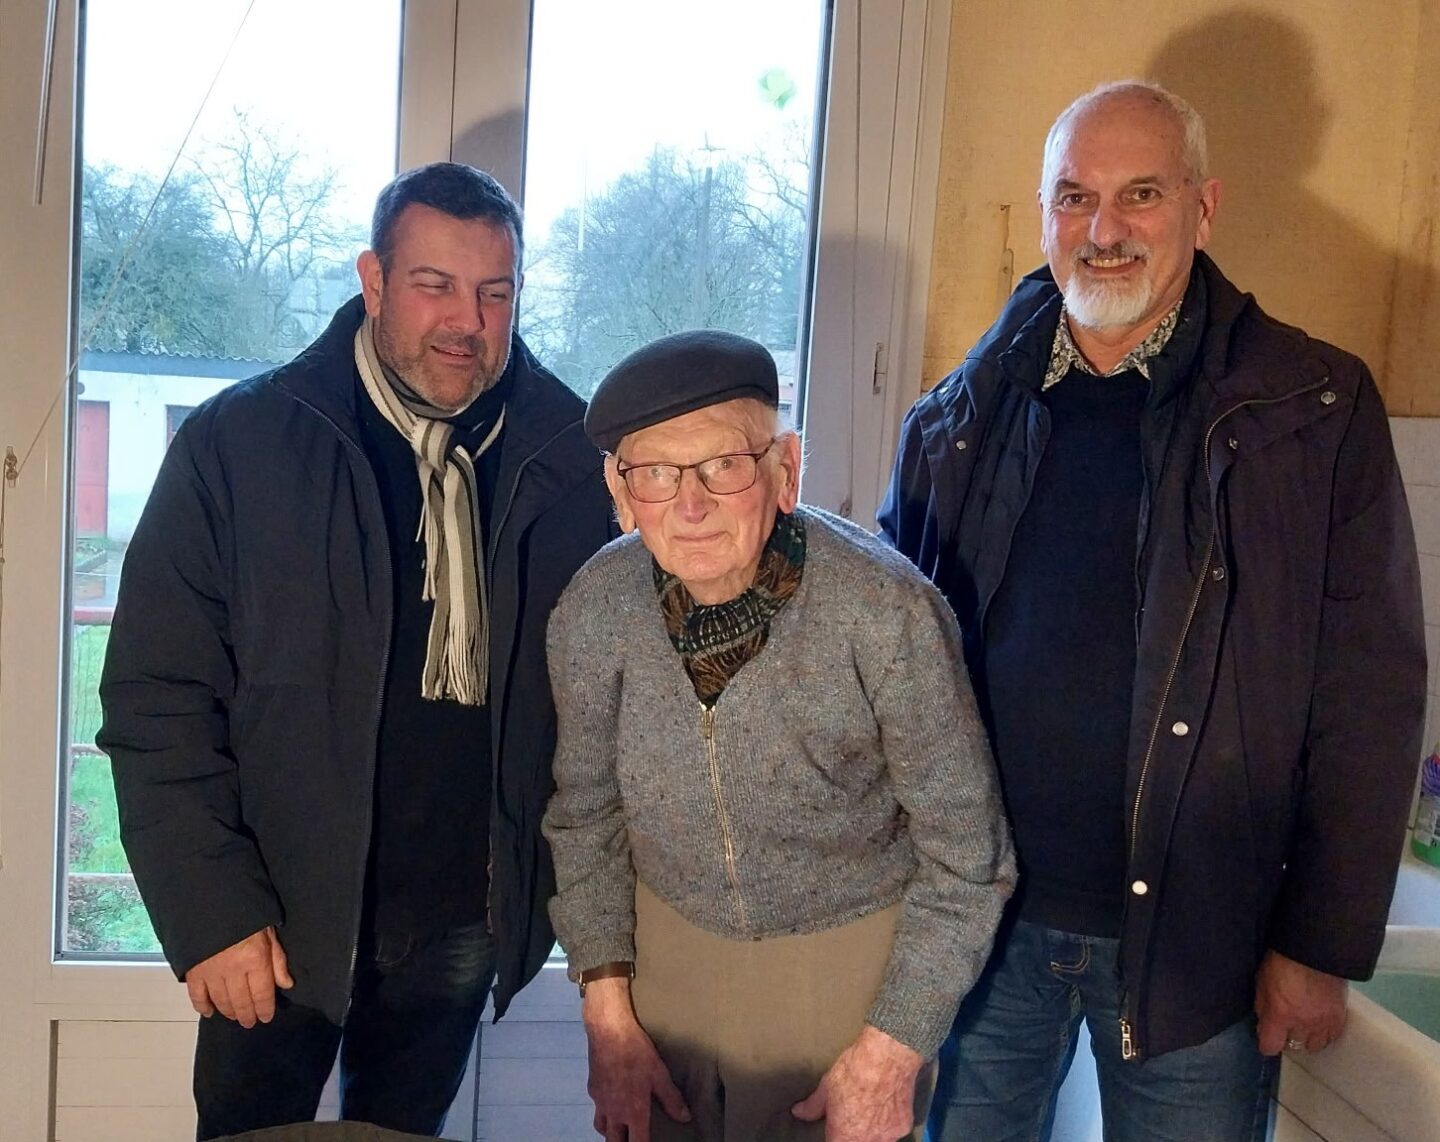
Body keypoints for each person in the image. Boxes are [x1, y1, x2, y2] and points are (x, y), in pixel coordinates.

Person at [880, 81, 1428, 1142]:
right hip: (980, 927)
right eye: (1074, 197)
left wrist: (1317, 941)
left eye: (1140, 195)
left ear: (1203, 208)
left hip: (1201, 941)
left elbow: (1371, 691)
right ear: (1044, 215)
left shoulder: (1311, 409)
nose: (1104, 229)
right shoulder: (956, 414)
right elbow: (893, 674)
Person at [97, 162, 615, 1139]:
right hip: (276, 916)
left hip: (463, 916)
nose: (467, 319)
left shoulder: (572, 455)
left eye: (493, 292)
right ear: (374, 281)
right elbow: (155, 697)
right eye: (435, 285)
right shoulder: (240, 444)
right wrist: (210, 910)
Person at [542, 330, 1015, 1142]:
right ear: (619, 493)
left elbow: (968, 862)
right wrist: (608, 1017)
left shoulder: (890, 612)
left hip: (844, 980)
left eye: (724, 465)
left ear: (784, 470)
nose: (689, 507)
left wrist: (891, 1050)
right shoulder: (594, 607)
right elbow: (584, 818)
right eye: (654, 473)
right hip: (664, 970)